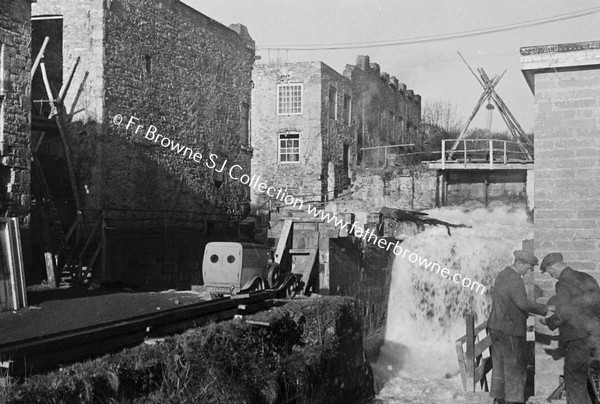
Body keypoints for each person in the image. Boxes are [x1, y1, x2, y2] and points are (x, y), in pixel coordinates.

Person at [488, 250, 548, 404]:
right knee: (515, 367)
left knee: (499, 364)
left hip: (496, 327)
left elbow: (510, 303)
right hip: (510, 330)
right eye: (528, 268)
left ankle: (498, 398)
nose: (529, 272)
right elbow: (522, 303)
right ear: (519, 263)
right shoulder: (515, 279)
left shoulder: (503, 274)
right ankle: (513, 401)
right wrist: (543, 309)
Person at [542, 252, 600, 404]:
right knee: (591, 377)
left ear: (552, 268)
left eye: (549, 273)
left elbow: (565, 311)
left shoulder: (563, 283)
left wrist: (549, 322)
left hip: (577, 339)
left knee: (573, 376)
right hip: (594, 337)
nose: (551, 276)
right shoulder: (587, 278)